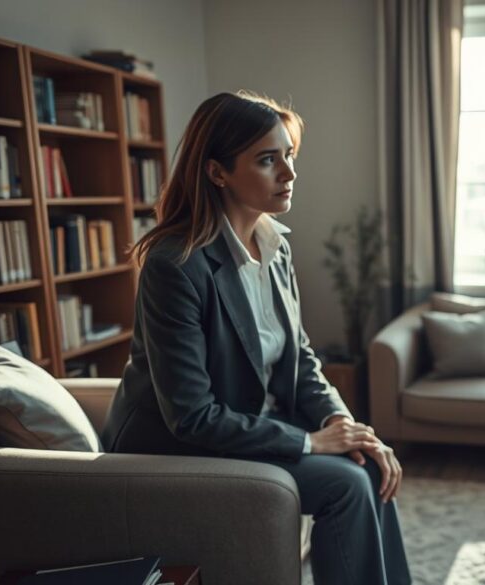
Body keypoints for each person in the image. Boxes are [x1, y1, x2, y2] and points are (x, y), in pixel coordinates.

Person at [102, 91, 410, 585]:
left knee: (368, 465)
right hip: (171, 451)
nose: (288, 173)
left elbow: (301, 358)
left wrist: (343, 424)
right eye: (268, 160)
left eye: (288, 155)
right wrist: (310, 441)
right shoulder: (174, 263)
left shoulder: (275, 246)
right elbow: (190, 415)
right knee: (347, 485)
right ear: (217, 172)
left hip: (250, 429)